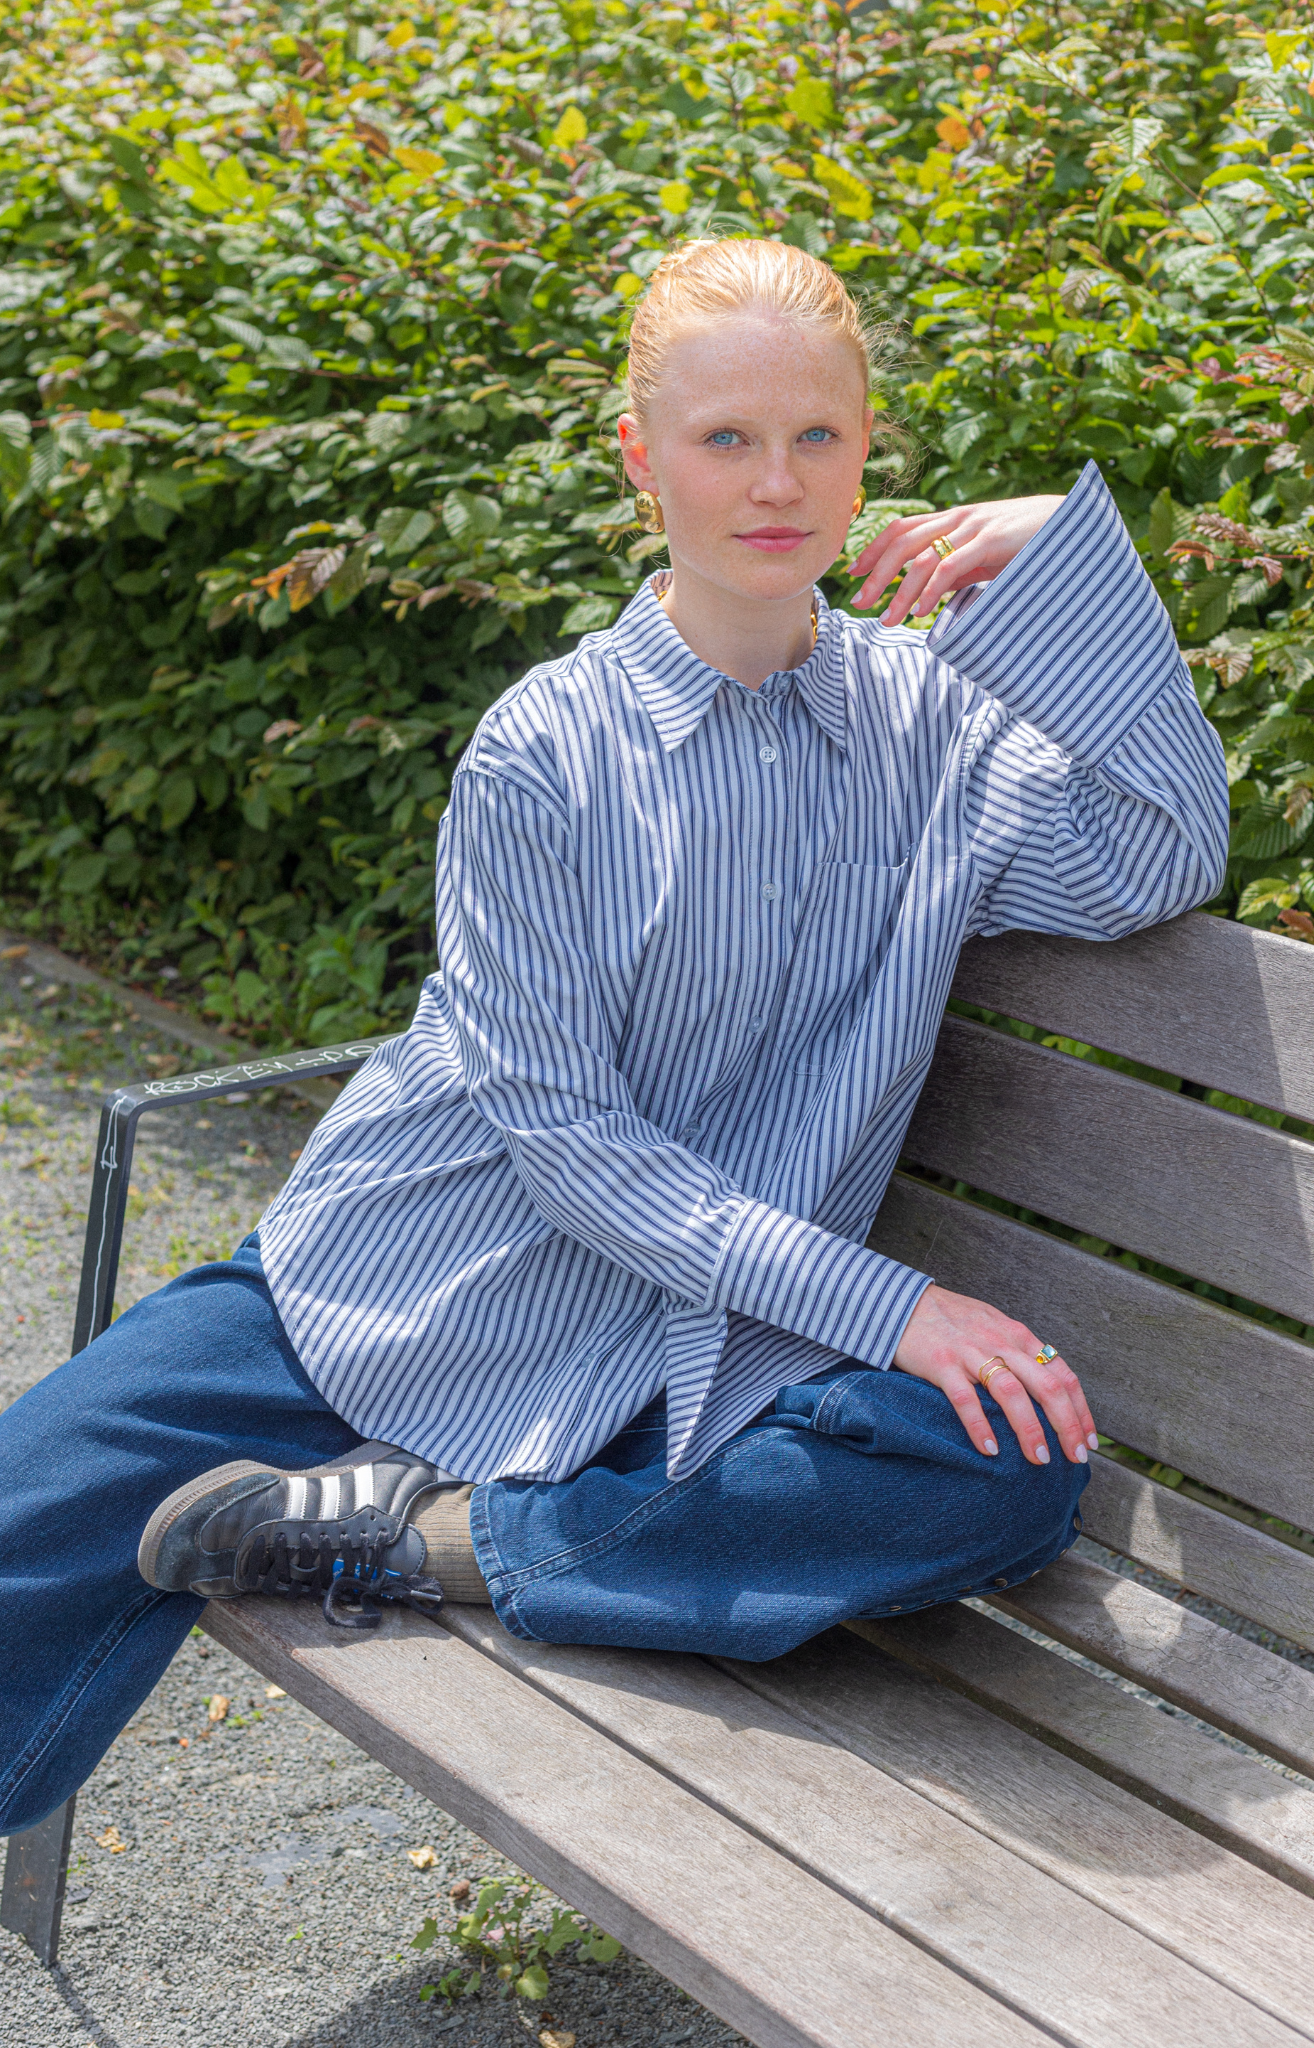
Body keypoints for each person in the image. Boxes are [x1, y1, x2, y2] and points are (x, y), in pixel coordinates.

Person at [0, 239, 1227, 1837]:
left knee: (1007, 1465)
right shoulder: (544, 752)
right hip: (416, 1280)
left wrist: (1071, 555)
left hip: (698, 1363)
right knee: (26, 1514)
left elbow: (1160, 850)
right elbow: (568, 1141)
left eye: (818, 438)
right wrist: (891, 1298)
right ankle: (470, 1520)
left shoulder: (940, 727)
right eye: (725, 438)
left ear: (870, 454)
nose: (776, 482)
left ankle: (440, 1543)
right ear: (642, 459)